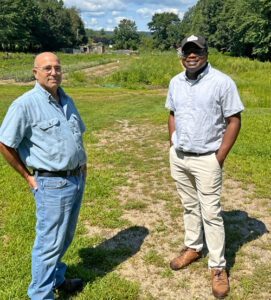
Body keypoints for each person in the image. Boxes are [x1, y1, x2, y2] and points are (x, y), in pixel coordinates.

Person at [0, 52, 87, 299]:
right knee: (49, 244)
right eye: (47, 68)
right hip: (51, 184)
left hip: (74, 180)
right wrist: (27, 176)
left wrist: (82, 167)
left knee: (65, 237)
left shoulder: (66, 99)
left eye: (57, 68)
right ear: (35, 72)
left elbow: (77, 135)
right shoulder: (24, 105)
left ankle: (57, 279)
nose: (53, 72)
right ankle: (40, 294)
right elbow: (5, 144)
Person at [165, 35, 244, 298]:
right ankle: (193, 247)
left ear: (206, 53)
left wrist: (218, 157)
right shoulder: (175, 82)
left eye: (196, 51)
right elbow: (172, 113)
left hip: (207, 158)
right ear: (181, 55)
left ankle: (218, 267)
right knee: (189, 206)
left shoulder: (222, 82)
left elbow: (233, 120)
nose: (191, 55)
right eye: (187, 51)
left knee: (211, 213)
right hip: (180, 157)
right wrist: (172, 143)